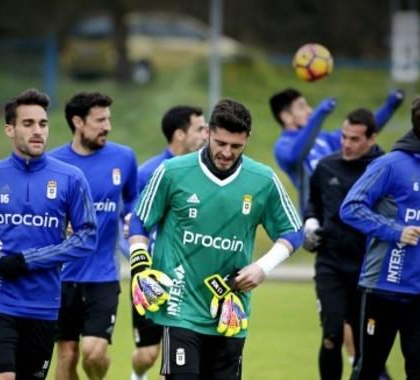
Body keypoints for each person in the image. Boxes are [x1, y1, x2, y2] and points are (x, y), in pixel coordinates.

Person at [129, 99, 303, 379]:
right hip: (180, 305)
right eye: (220, 143)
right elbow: (140, 219)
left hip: (229, 311)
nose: (226, 152)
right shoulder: (172, 171)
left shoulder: (263, 180)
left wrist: (263, 267)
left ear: (247, 139)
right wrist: (139, 261)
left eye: (236, 146)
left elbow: (294, 230)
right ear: (208, 132)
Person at [0, 89, 97, 380]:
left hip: (43, 304)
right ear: (10, 129)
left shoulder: (71, 178)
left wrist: (28, 260)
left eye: (42, 124)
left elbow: (87, 236)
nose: (37, 131)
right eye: (28, 123)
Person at [339, 96, 420, 380]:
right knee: (368, 369)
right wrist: (396, 231)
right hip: (384, 287)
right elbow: (351, 208)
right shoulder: (390, 165)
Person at [48, 92, 138, 380]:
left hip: (103, 274)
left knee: (93, 353)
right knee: (67, 355)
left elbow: (133, 199)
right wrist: (60, 226)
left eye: (108, 119)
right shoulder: (53, 164)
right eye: (100, 120)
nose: (107, 126)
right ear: (78, 122)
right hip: (63, 277)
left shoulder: (124, 158)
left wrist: (130, 218)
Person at [304, 108, 387, 380]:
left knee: (366, 343)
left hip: (369, 269)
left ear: (372, 138)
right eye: (343, 137)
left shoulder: (384, 169)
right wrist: (310, 223)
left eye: (354, 139)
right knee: (331, 335)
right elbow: (313, 203)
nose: (346, 144)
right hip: (330, 264)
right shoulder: (326, 166)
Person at [130, 105, 207, 380]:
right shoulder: (148, 172)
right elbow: (129, 222)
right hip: (152, 275)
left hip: (188, 278)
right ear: (179, 134)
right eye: (200, 129)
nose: (206, 134)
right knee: (148, 354)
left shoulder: (205, 174)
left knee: (177, 357)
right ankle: (137, 375)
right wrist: (138, 260)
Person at [270, 88, 404, 213]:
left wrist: (390, 106)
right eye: (301, 107)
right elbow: (295, 155)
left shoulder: (323, 137)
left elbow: (360, 132)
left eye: (308, 105)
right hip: (318, 214)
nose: (309, 110)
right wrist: (320, 113)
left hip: (343, 206)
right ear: (286, 116)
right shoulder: (283, 145)